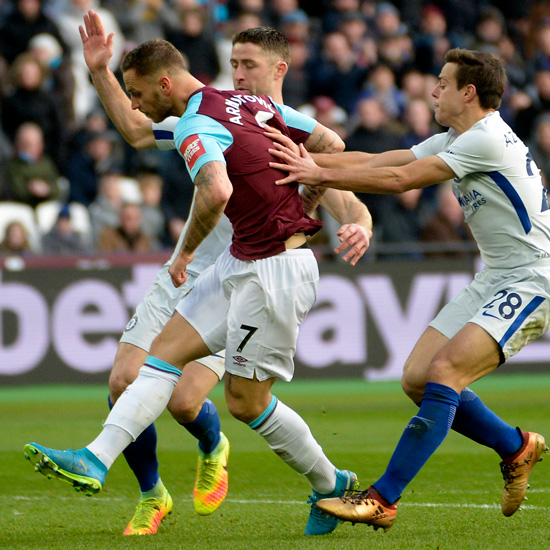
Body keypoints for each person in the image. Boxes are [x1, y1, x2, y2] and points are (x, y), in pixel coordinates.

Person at [24, 11, 372, 539]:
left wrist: (320, 192)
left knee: (243, 403)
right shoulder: (241, 107)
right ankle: (96, 458)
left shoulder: (223, 117)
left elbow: (225, 188)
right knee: (155, 360)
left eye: (248, 63)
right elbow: (331, 141)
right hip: (239, 259)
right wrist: (99, 72)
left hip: (274, 268)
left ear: (279, 68)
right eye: (232, 62)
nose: (238, 72)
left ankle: (330, 483)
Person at [267, 48, 550, 530]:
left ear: (468, 92)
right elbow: (384, 157)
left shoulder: (486, 139)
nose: (432, 90)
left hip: (533, 277)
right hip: (495, 276)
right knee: (418, 379)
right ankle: (516, 446)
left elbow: (400, 180)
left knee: (444, 371)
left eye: (442, 82)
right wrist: (305, 156)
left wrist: (320, 175)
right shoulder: (459, 136)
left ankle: (383, 498)